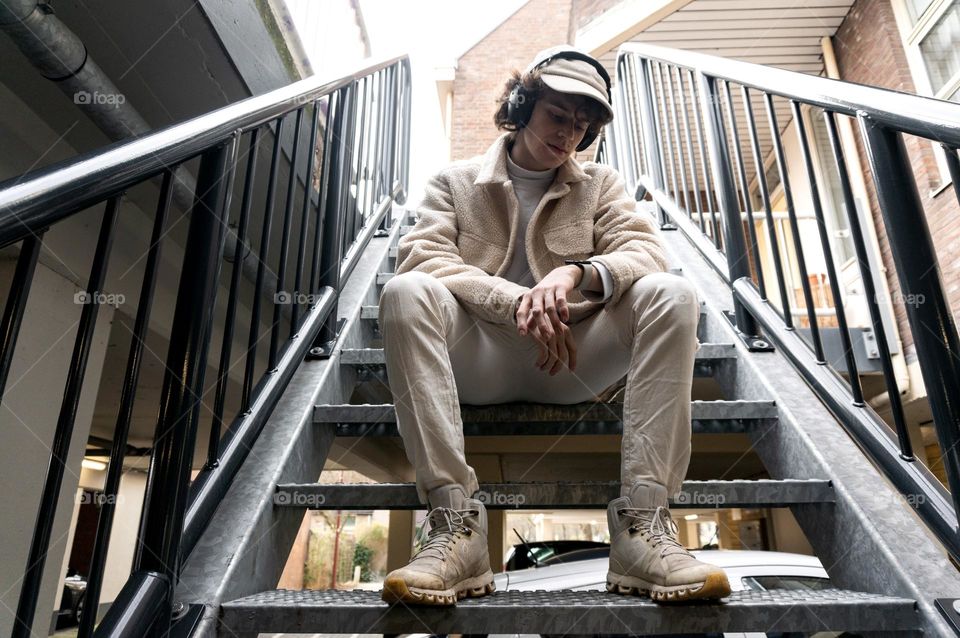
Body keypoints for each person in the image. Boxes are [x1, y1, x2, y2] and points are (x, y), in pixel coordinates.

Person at [378, 45, 730, 606]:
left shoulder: (601, 185)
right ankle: (453, 527)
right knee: (405, 291)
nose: (569, 135)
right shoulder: (454, 181)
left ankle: (644, 526)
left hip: (574, 360)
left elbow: (646, 251)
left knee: (672, 291)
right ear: (522, 106)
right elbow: (422, 256)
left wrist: (573, 275)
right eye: (558, 116)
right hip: (480, 356)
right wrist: (516, 299)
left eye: (582, 126)